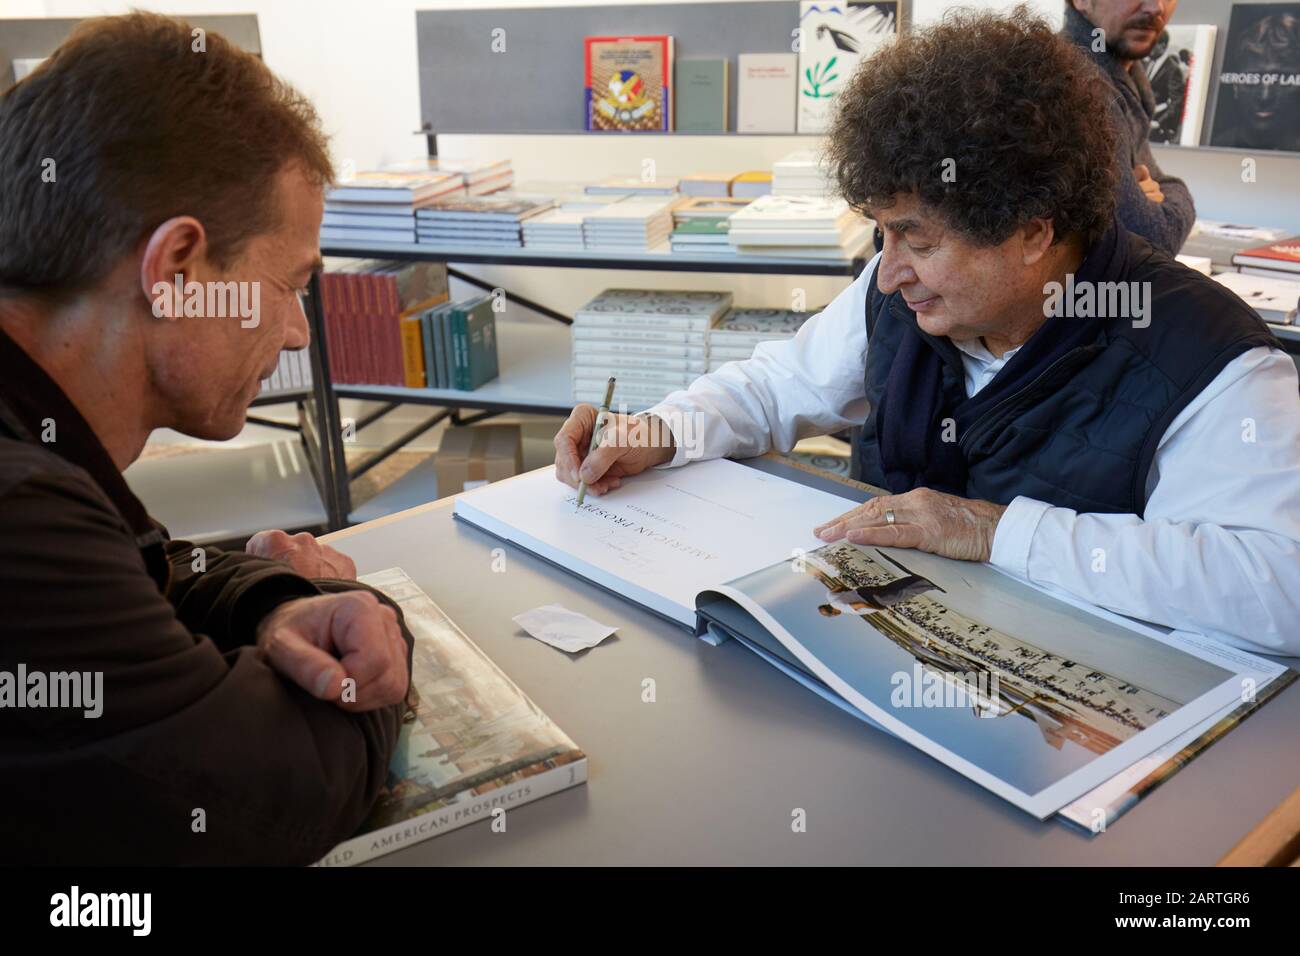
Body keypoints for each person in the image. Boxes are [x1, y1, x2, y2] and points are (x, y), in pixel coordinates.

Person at [552, 8, 1300, 657]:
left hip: (1067, 748)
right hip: (875, 664)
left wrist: (995, 533)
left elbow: (1277, 588)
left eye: (916, 239)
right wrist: (660, 428)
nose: (887, 273)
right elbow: (775, 385)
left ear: (1032, 231)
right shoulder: (904, 299)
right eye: (883, 234)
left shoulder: (1210, 360)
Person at [0, 13, 411, 863]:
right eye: (290, 285)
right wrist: (379, 626)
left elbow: (141, 573)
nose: (298, 334)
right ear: (178, 271)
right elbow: (270, 797)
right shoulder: (20, 512)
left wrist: (279, 599)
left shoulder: (38, 448)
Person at [1063, 0, 1195, 254]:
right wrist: (1172, 197)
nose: (1156, 8)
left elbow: (1151, 194)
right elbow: (1151, 238)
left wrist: (1155, 196)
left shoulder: (1124, 79)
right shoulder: (1083, 85)